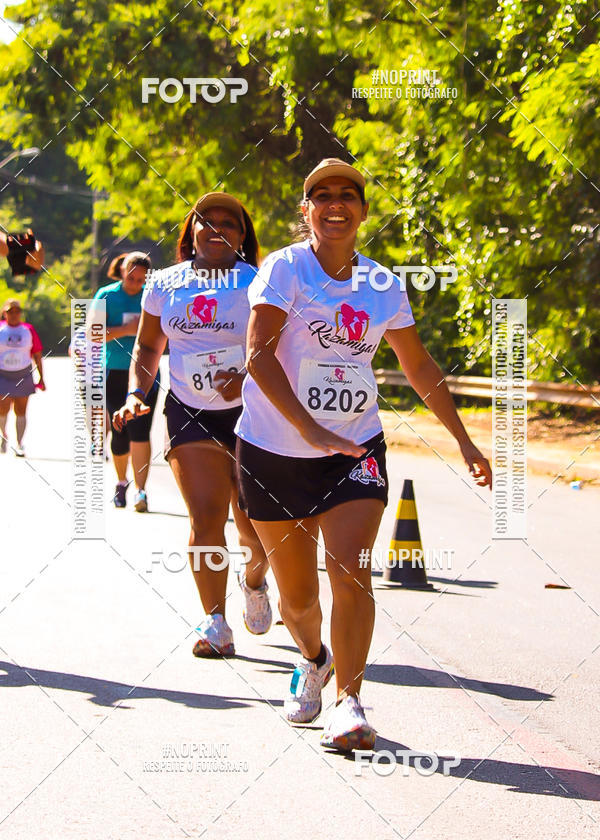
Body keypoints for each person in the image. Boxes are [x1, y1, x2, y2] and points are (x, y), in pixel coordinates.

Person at [235, 158, 493, 751]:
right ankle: (313, 658)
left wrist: (463, 437)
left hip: (355, 448)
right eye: (320, 195)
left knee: (350, 569)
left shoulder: (382, 283)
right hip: (274, 447)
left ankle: (349, 703)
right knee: (297, 599)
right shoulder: (285, 268)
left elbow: (418, 363)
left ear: (363, 211)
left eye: (346, 194)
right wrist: (309, 429)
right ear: (306, 212)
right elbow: (258, 354)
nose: (334, 203)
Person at [112, 192, 272, 656]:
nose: (217, 227)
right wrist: (135, 395)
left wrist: (244, 375)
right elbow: (146, 347)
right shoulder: (164, 283)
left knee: (253, 526)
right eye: (207, 219)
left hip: (253, 413)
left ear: (242, 236)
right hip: (188, 410)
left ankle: (255, 580)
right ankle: (215, 623)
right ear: (191, 231)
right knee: (205, 519)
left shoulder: (259, 282)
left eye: (230, 222)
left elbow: (281, 346)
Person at [92, 251, 159, 511]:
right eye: (132, 277)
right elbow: (93, 334)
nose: (136, 284)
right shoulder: (106, 296)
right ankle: (121, 483)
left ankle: (141, 491)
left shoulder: (150, 296)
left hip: (146, 371)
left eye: (142, 279)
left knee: (141, 430)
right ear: (122, 271)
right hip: (114, 372)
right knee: (119, 430)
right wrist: (126, 330)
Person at [0, 298, 45, 456]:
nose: (13, 315)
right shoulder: (1, 329)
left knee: (21, 410)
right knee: (3, 407)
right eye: (10, 312)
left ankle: (19, 443)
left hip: (23, 373)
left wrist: (41, 377)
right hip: (3, 374)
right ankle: (3, 435)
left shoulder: (28, 330)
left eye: (17, 311)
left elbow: (37, 354)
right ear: (4, 313)